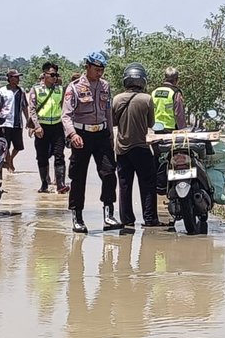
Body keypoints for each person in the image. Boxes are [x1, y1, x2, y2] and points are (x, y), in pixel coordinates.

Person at [61, 51, 122, 234]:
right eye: (96, 69)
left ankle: (109, 214)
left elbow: (108, 113)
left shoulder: (105, 86)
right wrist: (72, 135)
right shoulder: (74, 88)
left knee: (109, 172)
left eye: (102, 70)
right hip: (81, 135)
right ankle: (77, 216)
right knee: (78, 177)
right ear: (87, 67)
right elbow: (66, 115)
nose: (99, 73)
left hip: (102, 134)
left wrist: (111, 136)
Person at [113, 62, 163, 227]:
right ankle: (150, 219)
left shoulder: (117, 99)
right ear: (143, 80)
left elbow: (112, 122)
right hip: (141, 147)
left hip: (121, 149)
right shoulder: (147, 99)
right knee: (148, 184)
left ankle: (127, 220)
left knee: (124, 186)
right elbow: (151, 123)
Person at [28, 62, 69, 193]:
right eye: (52, 75)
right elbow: (32, 110)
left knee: (59, 155)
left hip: (57, 127)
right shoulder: (36, 90)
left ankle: (60, 184)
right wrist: (36, 126)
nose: (54, 77)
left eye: (56, 75)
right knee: (42, 156)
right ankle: (44, 184)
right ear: (44, 75)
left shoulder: (60, 90)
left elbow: (65, 109)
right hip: (42, 128)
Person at [0, 69, 28, 173]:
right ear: (10, 78)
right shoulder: (2, 91)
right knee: (5, 146)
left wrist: (28, 120)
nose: (18, 79)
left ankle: (10, 159)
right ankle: (9, 164)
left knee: (18, 146)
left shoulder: (21, 91)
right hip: (5, 122)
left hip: (17, 122)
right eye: (16, 77)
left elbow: (24, 107)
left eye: (18, 77)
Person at [151, 67, 186, 132]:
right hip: (170, 129)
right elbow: (179, 113)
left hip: (156, 128)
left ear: (165, 78)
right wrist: (182, 129)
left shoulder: (154, 92)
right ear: (176, 79)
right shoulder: (175, 93)